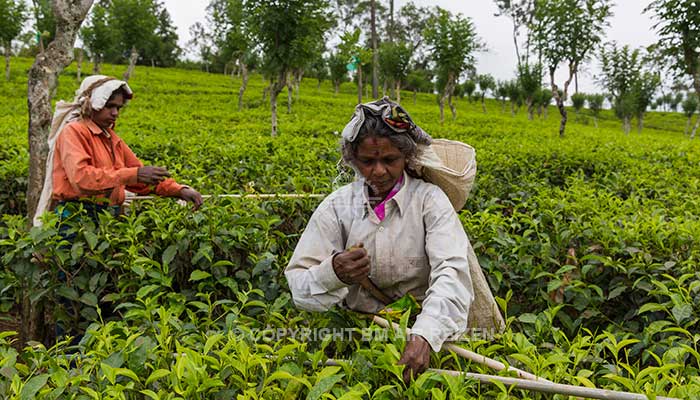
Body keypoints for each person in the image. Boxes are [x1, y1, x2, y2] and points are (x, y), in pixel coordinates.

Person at [285, 98, 476, 381]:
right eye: (367, 161)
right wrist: (334, 272)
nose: (378, 171)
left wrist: (425, 334)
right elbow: (299, 288)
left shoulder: (429, 201)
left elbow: (452, 273)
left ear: (406, 158)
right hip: (355, 336)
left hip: (424, 338)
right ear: (353, 160)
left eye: (389, 160)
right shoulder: (337, 207)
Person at [33, 75, 202, 227]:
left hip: (108, 215)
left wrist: (179, 190)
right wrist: (134, 174)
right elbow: (81, 178)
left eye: (118, 108)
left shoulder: (111, 138)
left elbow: (140, 178)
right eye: (109, 106)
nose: (115, 113)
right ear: (91, 104)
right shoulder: (74, 132)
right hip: (76, 217)